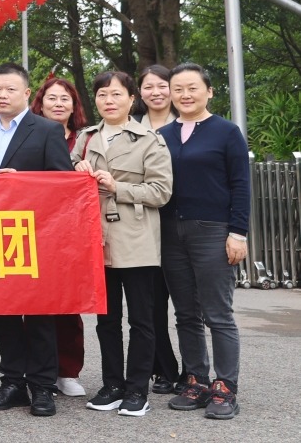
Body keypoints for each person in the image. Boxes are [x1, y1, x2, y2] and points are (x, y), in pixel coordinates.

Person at [0, 63, 71, 417]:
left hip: (34, 235)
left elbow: (63, 183)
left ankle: (42, 386)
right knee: (2, 314)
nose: (2, 95)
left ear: (26, 93)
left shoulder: (47, 130)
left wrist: (22, 181)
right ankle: (13, 382)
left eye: (10, 89)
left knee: (39, 315)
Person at [71, 71, 173, 418]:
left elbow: (161, 192)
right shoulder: (86, 138)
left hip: (136, 237)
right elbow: (67, 180)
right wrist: (77, 169)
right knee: (106, 319)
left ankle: (137, 389)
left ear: (132, 99)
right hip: (96, 239)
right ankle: (112, 385)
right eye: (102, 94)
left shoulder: (149, 140)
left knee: (142, 320)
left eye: (116, 94)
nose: (108, 100)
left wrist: (118, 187)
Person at [160, 63, 249, 420]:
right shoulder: (162, 134)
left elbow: (241, 184)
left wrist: (238, 233)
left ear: (209, 91)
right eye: (178, 89)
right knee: (185, 314)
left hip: (212, 230)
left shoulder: (226, 132)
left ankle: (225, 388)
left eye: (192, 88)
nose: (185, 95)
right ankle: (196, 380)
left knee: (218, 314)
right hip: (170, 231)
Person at [30, 77, 89, 398]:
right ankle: (39, 370)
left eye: (65, 98)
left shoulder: (86, 140)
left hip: (73, 233)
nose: (58, 104)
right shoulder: (29, 135)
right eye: (51, 98)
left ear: (74, 106)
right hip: (35, 231)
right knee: (35, 306)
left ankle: (67, 371)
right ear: (39, 104)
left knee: (68, 306)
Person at [135, 65, 183, 395]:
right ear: (139, 93)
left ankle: (194, 370)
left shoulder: (187, 124)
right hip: (142, 224)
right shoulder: (130, 126)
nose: (156, 92)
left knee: (187, 305)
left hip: (180, 220)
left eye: (162, 85)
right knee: (151, 305)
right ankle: (164, 369)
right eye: (148, 87)